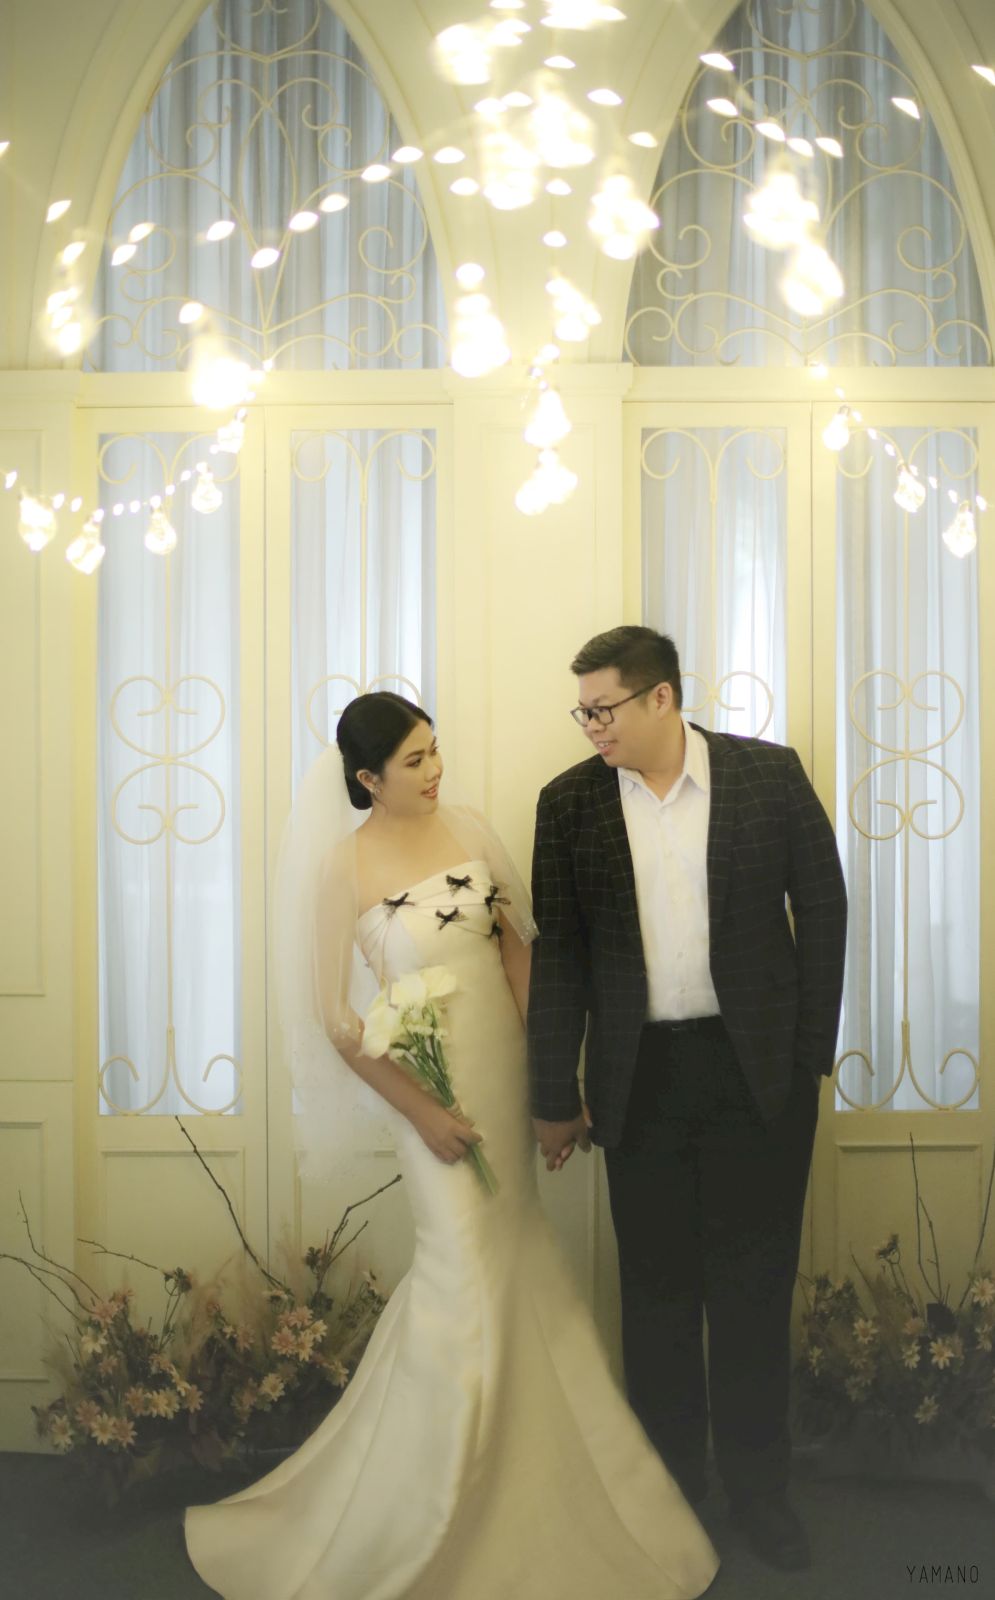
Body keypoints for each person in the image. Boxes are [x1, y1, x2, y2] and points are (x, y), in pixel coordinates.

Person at [185, 690, 719, 1600]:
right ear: (368, 779)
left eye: (436, 751)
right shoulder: (342, 868)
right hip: (426, 1101)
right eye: (415, 761)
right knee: (461, 1278)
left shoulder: (469, 829)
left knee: (516, 1266)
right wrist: (425, 1113)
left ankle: (531, 1492)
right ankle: (434, 1511)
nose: (436, 772)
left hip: (507, 1088)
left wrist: (554, 1091)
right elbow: (337, 1023)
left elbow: (519, 960)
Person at [528, 627, 847, 1573]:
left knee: (753, 1291)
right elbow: (561, 954)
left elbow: (823, 906)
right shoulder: (569, 803)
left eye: (603, 708)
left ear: (661, 698)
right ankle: (669, 1496)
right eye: (582, 712)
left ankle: (759, 1494)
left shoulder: (766, 775)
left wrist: (806, 1058)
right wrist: (553, 1091)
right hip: (640, 1080)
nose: (591, 727)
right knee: (657, 1298)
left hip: (756, 1076)